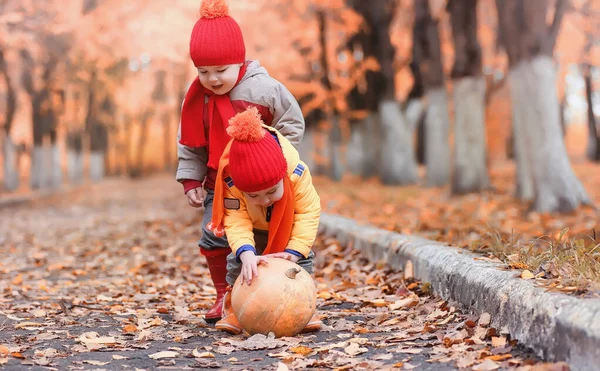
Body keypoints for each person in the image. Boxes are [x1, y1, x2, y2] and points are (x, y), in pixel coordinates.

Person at [176, 0, 305, 324]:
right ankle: (227, 294)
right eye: (204, 72)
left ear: (239, 60)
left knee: (279, 237)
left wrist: (275, 156)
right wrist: (191, 181)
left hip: (266, 178)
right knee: (215, 234)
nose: (213, 79)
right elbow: (192, 143)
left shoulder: (263, 88)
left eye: (221, 70)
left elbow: (292, 122)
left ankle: (292, 294)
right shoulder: (198, 98)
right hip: (220, 182)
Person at [206, 107, 321, 335]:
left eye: (271, 191)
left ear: (282, 177)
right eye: (253, 196)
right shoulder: (232, 182)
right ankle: (236, 308)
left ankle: (303, 308)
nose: (264, 200)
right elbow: (236, 219)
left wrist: (295, 251)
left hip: (287, 228)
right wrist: (246, 251)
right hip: (254, 229)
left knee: (302, 265)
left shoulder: (296, 173)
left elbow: (308, 212)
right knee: (238, 264)